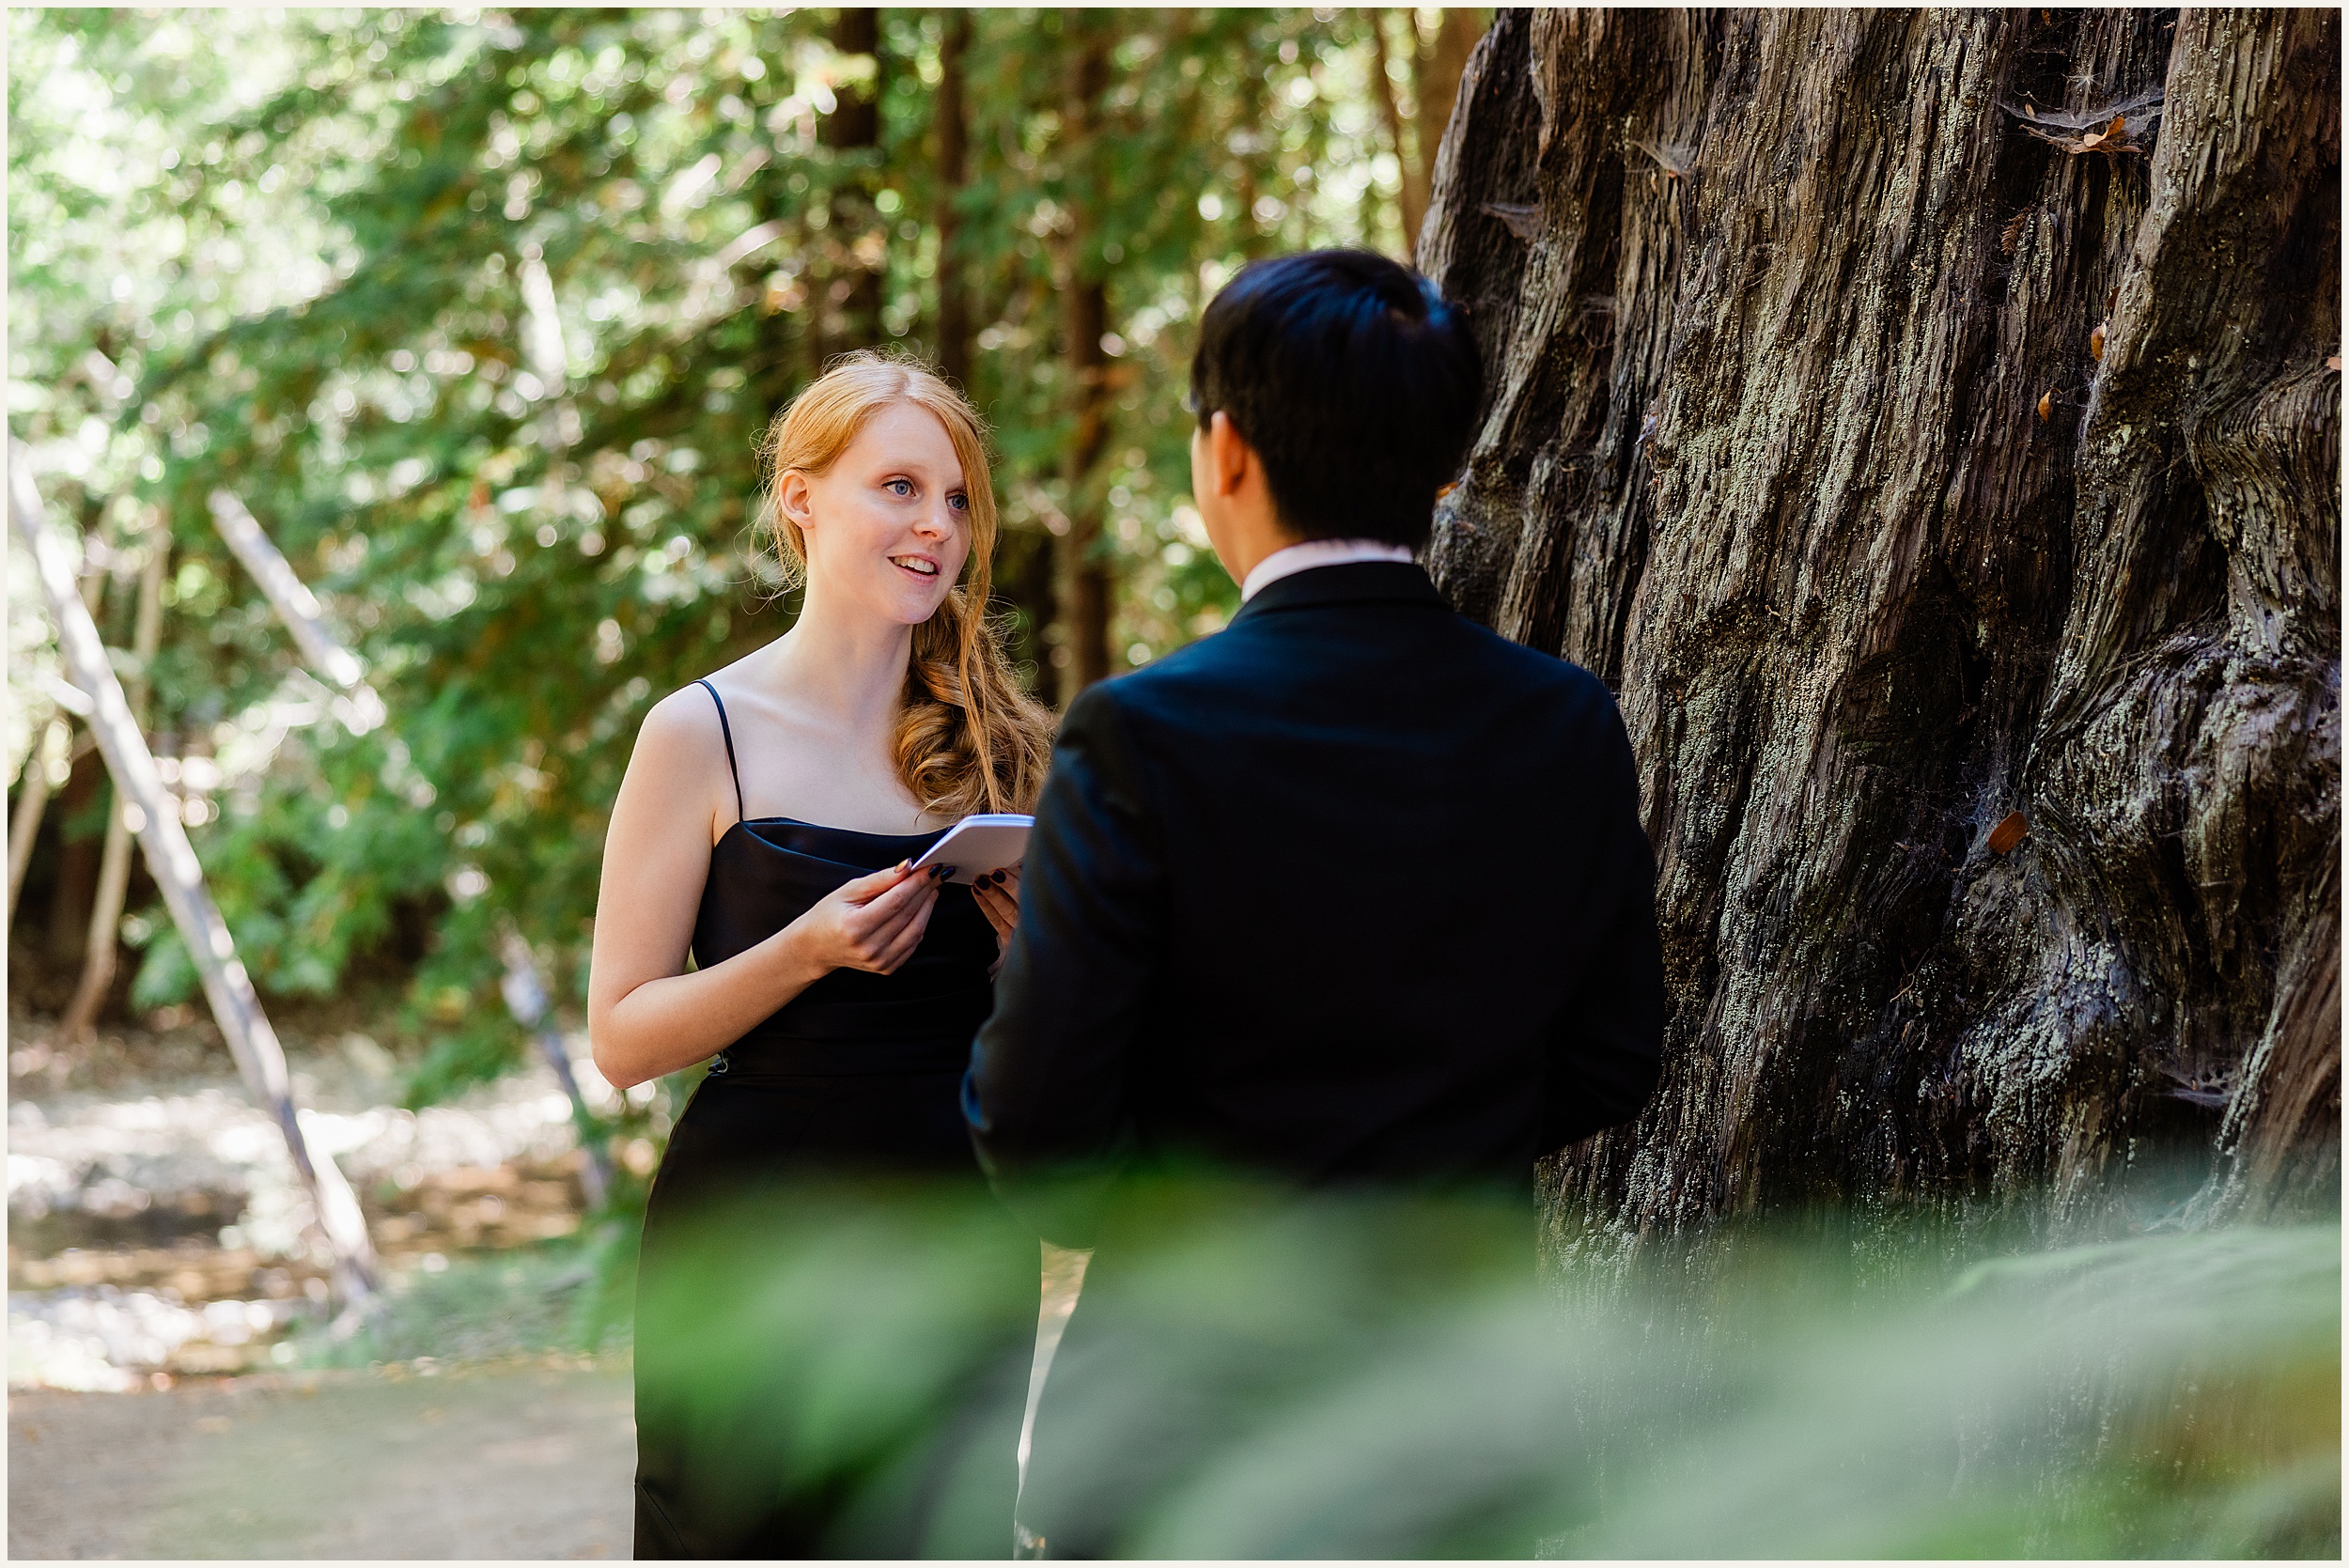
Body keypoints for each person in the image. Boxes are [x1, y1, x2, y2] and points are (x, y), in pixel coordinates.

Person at [962, 249, 1667, 1555]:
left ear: (1224, 452)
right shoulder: (1565, 721)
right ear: (1441, 471)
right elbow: (1616, 1055)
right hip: (1467, 1434)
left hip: (1183, 1434)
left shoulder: (1140, 735)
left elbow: (1038, 1137)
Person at [588, 351, 1055, 1558]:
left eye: (955, 499)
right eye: (898, 486)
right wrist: (800, 951)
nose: (935, 526)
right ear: (801, 498)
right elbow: (622, 1038)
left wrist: (1028, 957)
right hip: (753, 1236)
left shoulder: (1001, 745)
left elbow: (1052, 1048)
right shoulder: (699, 733)